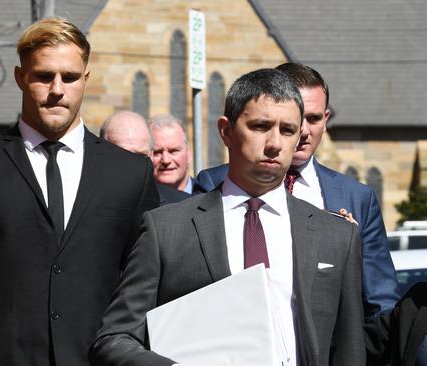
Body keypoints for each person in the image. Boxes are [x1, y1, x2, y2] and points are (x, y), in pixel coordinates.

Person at [0, 17, 159, 366]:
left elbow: (147, 285)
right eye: (44, 76)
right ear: (20, 77)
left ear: (85, 80)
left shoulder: (130, 174)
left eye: (70, 77)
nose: (57, 89)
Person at [90, 68, 365, 365]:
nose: (274, 143)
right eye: (260, 126)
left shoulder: (337, 236)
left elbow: (349, 350)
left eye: (287, 130)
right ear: (226, 131)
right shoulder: (166, 230)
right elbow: (114, 339)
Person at [196, 62, 399, 318]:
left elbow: (380, 302)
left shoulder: (357, 197)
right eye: (295, 119)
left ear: (325, 120)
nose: (303, 131)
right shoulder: (213, 184)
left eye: (313, 118)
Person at [100, 110, 189, 205]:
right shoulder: (84, 199)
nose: (166, 160)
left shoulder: (184, 206)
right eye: (123, 155)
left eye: (140, 156)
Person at [149, 114, 195, 194]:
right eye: (157, 152)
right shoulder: (136, 203)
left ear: (189, 154)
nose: (166, 160)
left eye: (173, 151)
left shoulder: (211, 199)